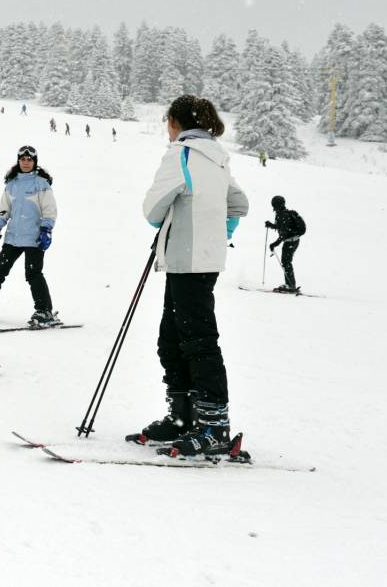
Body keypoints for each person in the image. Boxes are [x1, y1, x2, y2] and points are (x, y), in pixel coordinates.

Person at [127, 95, 248, 458]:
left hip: (185, 259)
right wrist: (216, 233)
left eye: (168, 121)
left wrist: (185, 227)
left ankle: (213, 427)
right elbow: (238, 204)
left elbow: (152, 209)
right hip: (204, 260)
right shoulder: (217, 157)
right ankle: (185, 417)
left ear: (176, 122)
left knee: (195, 340)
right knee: (177, 336)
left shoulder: (182, 153)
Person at [0, 145, 59, 327]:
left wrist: (46, 230)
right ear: (18, 161)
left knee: (33, 274)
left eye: (29, 160)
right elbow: (4, 211)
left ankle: (44, 310)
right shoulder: (11, 184)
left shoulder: (41, 184)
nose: (26, 162)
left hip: (34, 238)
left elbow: (49, 210)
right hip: (13, 237)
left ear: (34, 162)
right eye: (23, 159)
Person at [265, 196, 305, 293]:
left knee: (286, 262)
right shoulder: (285, 213)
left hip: (290, 242)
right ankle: (290, 284)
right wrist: (271, 225)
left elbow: (284, 233)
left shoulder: (282, 215)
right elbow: (283, 227)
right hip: (295, 240)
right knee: (286, 262)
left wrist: (275, 244)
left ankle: (290, 286)